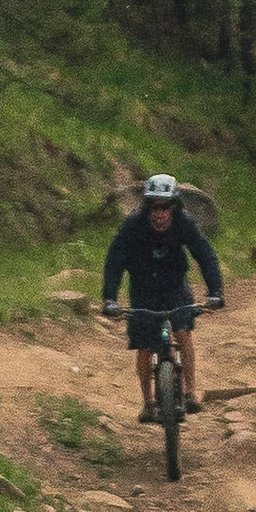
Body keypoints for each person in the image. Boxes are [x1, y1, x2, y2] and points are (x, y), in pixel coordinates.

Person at [101, 172, 225, 411]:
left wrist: (215, 292)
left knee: (183, 333)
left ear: (174, 207)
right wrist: (110, 298)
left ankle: (190, 392)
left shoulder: (184, 222)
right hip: (143, 287)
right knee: (145, 346)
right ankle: (148, 402)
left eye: (165, 207)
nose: (160, 213)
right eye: (154, 207)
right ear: (147, 208)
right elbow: (114, 260)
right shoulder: (133, 225)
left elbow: (205, 255)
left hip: (174, 285)